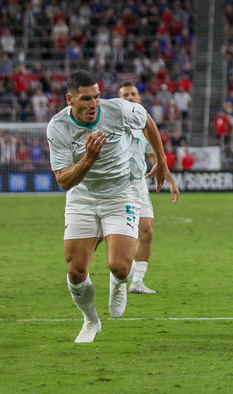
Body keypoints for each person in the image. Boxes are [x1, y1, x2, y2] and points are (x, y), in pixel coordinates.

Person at [47, 70, 168, 343]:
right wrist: (88, 160)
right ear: (70, 99)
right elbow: (64, 181)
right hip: (82, 197)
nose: (94, 104)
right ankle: (91, 321)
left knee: (120, 267)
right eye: (86, 98)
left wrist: (161, 160)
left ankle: (119, 283)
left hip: (121, 194)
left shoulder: (118, 109)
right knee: (76, 270)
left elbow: (147, 119)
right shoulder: (58, 127)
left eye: (97, 97)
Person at [94, 81, 180, 294]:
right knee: (98, 234)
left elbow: (157, 158)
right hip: (112, 185)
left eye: (133, 94)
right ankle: (80, 270)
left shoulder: (144, 127)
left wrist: (171, 182)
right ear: (118, 99)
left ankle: (137, 282)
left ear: (139, 99)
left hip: (138, 185)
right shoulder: (108, 124)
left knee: (147, 231)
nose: (130, 97)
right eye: (125, 95)